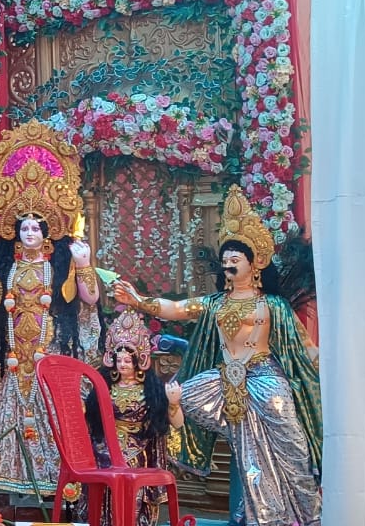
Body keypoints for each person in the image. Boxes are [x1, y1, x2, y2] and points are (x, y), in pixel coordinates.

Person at [112, 185, 321, 526]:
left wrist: (327, 367)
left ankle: (309, 519)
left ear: (255, 264)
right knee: (218, 431)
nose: (227, 266)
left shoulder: (274, 306)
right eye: (224, 261)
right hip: (227, 381)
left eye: (234, 260)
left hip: (268, 383)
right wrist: (139, 301)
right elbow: (177, 308)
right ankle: (259, 518)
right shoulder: (214, 305)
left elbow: (304, 351)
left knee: (294, 455)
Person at [0, 120, 101, 494]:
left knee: (50, 409)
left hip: (49, 348)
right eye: (24, 228)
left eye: (37, 228)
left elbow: (91, 302)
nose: (30, 233)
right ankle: (8, 476)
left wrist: (83, 265)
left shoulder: (62, 264)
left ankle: (55, 478)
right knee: (9, 405)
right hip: (13, 349)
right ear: (14, 232)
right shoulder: (7, 267)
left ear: (49, 233)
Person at [81, 310, 184, 525]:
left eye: (128, 359)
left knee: (129, 469)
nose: (123, 364)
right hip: (105, 447)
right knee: (102, 469)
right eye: (119, 360)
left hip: (137, 447)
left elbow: (177, 423)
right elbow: (89, 420)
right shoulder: (104, 387)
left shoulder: (152, 390)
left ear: (139, 360)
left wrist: (173, 403)